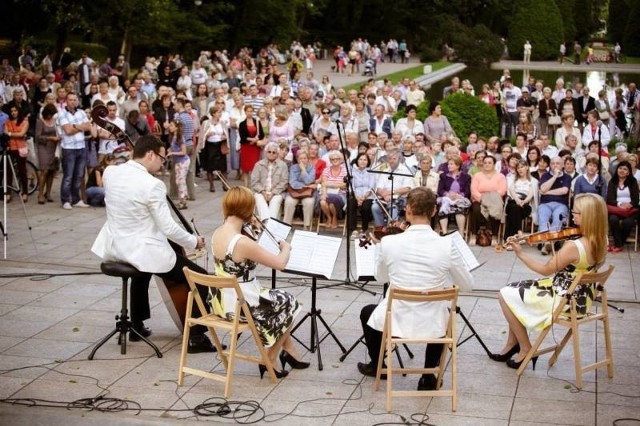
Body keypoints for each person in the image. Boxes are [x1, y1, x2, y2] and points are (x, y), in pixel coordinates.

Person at [91, 135, 216, 352]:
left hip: (116, 247)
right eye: (161, 157)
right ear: (150, 154)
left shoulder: (111, 172)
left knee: (144, 270)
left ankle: (136, 326)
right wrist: (194, 241)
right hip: (141, 249)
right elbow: (167, 228)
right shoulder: (152, 185)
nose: (163, 162)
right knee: (200, 279)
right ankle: (196, 338)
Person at [358, 187, 473, 390]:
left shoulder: (389, 242)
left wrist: (379, 251)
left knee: (368, 312)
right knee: (445, 311)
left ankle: (379, 366)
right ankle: (428, 376)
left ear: (408, 210)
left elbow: (381, 277)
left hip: (395, 319)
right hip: (433, 324)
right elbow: (467, 285)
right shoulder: (447, 245)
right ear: (434, 212)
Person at [493, 193, 608, 369]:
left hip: (563, 299)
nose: (572, 215)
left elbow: (545, 269)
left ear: (588, 216)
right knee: (514, 290)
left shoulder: (573, 247)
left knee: (504, 294)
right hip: (583, 299)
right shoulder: (602, 239)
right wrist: (529, 238)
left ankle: (525, 348)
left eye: (576, 212)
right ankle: (511, 344)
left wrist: (520, 253)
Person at [211, 187, 309, 377]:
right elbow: (280, 263)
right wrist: (286, 247)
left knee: (278, 300)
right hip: (241, 303)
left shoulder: (217, 233)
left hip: (221, 301)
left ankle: (290, 352)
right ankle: (269, 358)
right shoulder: (242, 242)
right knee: (289, 302)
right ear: (248, 208)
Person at [57, 93, 92, 209]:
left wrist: (75, 126)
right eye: (70, 100)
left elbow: (88, 127)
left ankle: (76, 199)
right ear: (66, 101)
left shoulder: (81, 112)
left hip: (81, 147)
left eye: (75, 100)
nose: (73, 102)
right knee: (68, 176)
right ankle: (65, 200)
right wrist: (80, 126)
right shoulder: (62, 113)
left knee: (79, 175)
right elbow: (67, 131)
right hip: (69, 149)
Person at [537, 156, 572, 255]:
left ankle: (548, 242)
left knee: (558, 217)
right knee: (543, 217)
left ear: (562, 165)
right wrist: (555, 176)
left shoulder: (567, 177)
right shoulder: (545, 175)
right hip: (545, 204)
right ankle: (547, 242)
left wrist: (547, 192)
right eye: (553, 163)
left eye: (557, 163)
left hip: (561, 204)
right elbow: (543, 188)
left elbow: (564, 191)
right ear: (550, 165)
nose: (555, 165)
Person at [250, 142, 289, 221]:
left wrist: (273, 193)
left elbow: (284, 182)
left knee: (275, 201)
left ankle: (266, 224)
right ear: (265, 153)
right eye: (269, 152)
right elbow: (254, 182)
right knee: (259, 200)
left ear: (277, 154)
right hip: (260, 191)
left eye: (274, 152)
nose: (271, 154)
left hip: (277, 192)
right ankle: (269, 224)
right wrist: (263, 192)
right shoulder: (258, 164)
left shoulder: (283, 165)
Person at [606, 161, 639, 253]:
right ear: (617, 169)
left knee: (628, 223)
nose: (622, 171)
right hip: (616, 209)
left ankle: (618, 244)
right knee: (613, 219)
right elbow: (609, 199)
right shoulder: (612, 181)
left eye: (625, 169)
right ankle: (619, 245)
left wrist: (630, 205)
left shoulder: (633, 181)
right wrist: (620, 204)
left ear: (628, 172)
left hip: (630, 209)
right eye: (620, 168)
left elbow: (636, 199)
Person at [436, 156, 471, 236]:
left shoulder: (466, 177)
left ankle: (461, 234)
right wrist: (447, 194)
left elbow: (467, 191)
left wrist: (458, 196)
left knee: (459, 208)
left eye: (451, 164)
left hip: (459, 198)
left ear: (458, 166)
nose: (449, 166)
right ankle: (444, 233)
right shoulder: (443, 176)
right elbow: (440, 190)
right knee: (443, 207)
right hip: (447, 197)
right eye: (448, 164)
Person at [505, 160, 539, 241]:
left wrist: (524, 201)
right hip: (513, 201)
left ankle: (509, 239)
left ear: (527, 167)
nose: (520, 169)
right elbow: (512, 191)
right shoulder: (513, 179)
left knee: (513, 211)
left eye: (522, 167)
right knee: (514, 207)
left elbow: (531, 194)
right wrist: (517, 200)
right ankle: (519, 233)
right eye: (518, 168)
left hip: (525, 204)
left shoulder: (533, 181)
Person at [283, 149, 316, 230]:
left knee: (309, 202)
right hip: (294, 192)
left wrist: (303, 170)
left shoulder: (312, 168)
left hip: (307, 193)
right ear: (297, 159)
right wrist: (307, 186)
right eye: (300, 158)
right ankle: (285, 226)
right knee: (289, 202)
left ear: (308, 159)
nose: (303, 160)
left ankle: (306, 226)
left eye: (305, 158)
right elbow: (293, 183)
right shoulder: (293, 168)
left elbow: (309, 181)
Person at [319, 150, 348, 228]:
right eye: (332, 159)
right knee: (322, 202)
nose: (335, 160)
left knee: (332, 203)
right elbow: (324, 184)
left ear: (341, 159)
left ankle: (335, 217)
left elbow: (345, 185)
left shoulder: (345, 170)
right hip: (328, 192)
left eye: (337, 159)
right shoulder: (326, 170)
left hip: (341, 194)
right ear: (330, 160)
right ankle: (329, 217)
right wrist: (324, 194)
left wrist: (331, 184)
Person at [166, 119, 190, 209]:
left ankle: (183, 200)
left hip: (183, 161)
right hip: (178, 162)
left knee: (181, 181)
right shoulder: (173, 137)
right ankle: (183, 198)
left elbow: (184, 152)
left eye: (172, 125)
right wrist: (170, 150)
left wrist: (173, 153)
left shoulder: (180, 138)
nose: (170, 127)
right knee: (178, 180)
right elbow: (173, 147)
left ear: (176, 128)